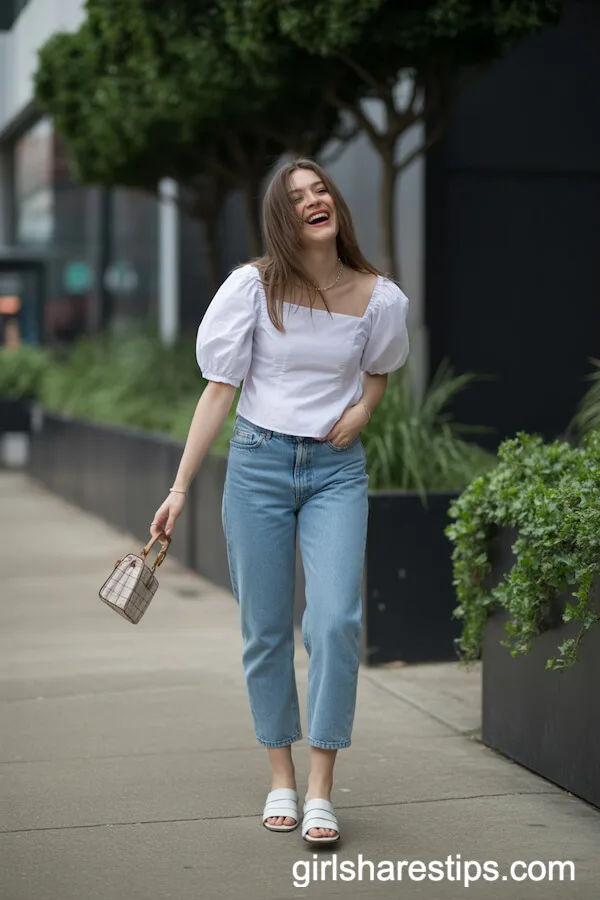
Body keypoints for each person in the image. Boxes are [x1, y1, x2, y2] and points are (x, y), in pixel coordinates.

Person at [150, 158, 410, 845]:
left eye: (320, 188)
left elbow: (380, 371)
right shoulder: (252, 288)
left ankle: (322, 787)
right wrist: (178, 490)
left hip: (335, 472)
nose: (313, 200)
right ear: (282, 218)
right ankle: (282, 779)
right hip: (259, 466)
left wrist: (362, 413)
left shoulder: (379, 298)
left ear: (335, 204)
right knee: (265, 630)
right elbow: (218, 391)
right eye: (297, 197)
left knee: (332, 622)